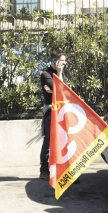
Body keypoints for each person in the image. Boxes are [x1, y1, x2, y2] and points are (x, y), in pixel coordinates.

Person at [39, 50, 69, 180]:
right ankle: (44, 169)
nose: (64, 64)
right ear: (55, 61)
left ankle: (65, 170)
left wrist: (59, 80)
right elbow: (60, 89)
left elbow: (64, 91)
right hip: (51, 112)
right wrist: (57, 86)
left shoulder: (62, 74)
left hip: (62, 111)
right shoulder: (46, 74)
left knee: (65, 140)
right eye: (62, 61)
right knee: (49, 140)